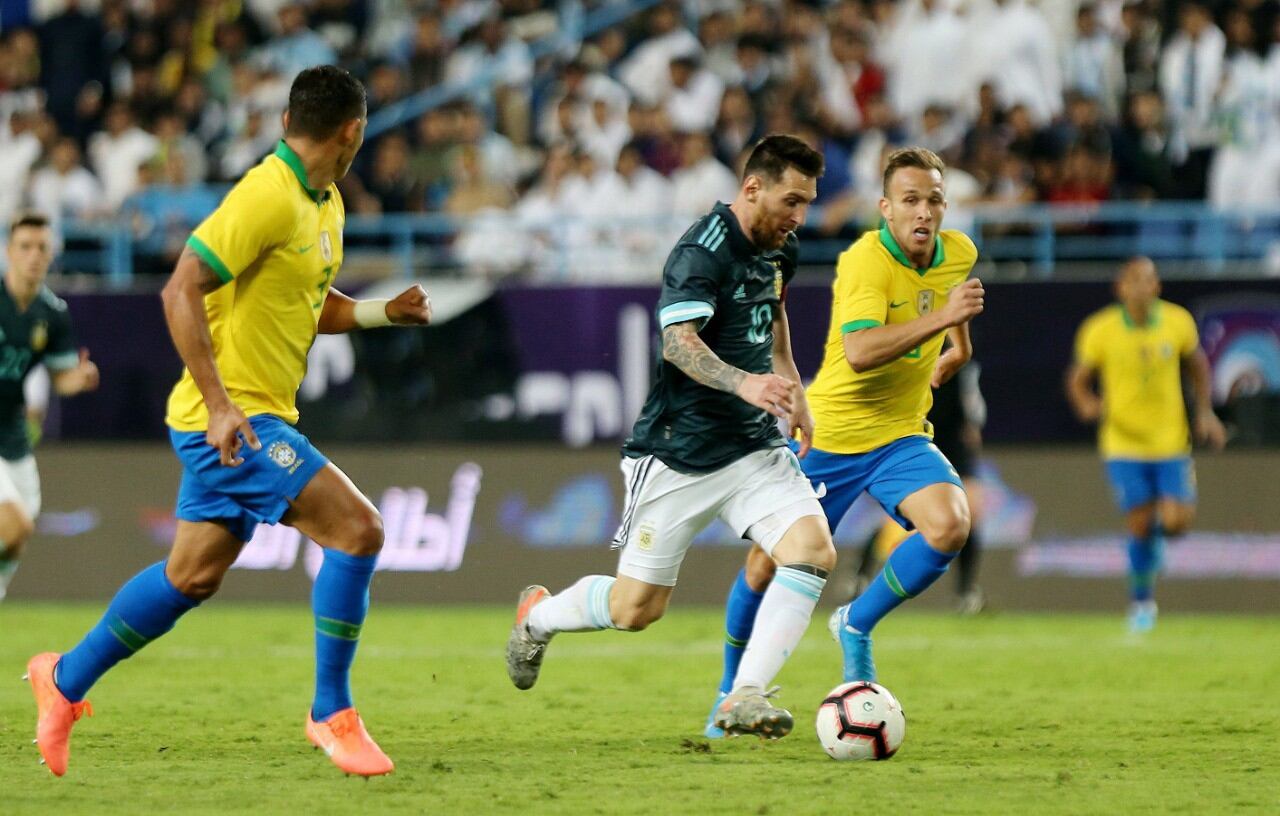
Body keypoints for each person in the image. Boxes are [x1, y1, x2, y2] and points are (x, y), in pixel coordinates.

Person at [26, 66, 433, 778]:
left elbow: (311, 300)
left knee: (191, 576)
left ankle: (61, 682)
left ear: (287, 120)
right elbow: (181, 285)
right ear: (353, 131)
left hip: (245, 417)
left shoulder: (324, 200)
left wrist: (378, 312)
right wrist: (219, 405)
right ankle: (330, 712)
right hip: (236, 424)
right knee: (358, 530)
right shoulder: (266, 196)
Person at [505, 135, 832, 740]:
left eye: (808, 203)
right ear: (752, 188)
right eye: (791, 201)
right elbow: (677, 344)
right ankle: (539, 615)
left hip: (754, 448)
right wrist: (744, 384)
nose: (799, 217)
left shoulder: (782, 251)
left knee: (813, 551)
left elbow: (775, 327)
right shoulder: (700, 252)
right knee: (637, 610)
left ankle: (744, 695)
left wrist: (795, 394)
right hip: (678, 453)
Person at [702, 147, 984, 737]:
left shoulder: (959, 251)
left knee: (951, 524)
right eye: (910, 200)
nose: (923, 211)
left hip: (900, 435)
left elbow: (950, 289)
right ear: (885, 208)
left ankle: (855, 623)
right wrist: (943, 322)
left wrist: (960, 344)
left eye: (934, 199)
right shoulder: (864, 262)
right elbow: (859, 352)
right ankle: (729, 694)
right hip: (832, 435)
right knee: (763, 566)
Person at [1066, 257, 1225, 632]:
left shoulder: (1177, 322)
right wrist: (1086, 402)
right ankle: (1142, 604)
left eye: (1148, 280)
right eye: (1133, 280)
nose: (1140, 287)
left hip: (1170, 441)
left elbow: (1197, 366)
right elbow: (1078, 378)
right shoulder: (1100, 329)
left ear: (1157, 287)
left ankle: (1153, 549)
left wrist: (1205, 412)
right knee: (1138, 523)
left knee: (1176, 522)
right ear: (1120, 288)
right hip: (1123, 443)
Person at [0, 212, 100, 601]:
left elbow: (62, 378)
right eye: (25, 247)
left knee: (15, 542)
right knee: (15, 525)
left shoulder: (52, 314)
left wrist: (81, 377)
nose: (34, 255)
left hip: (13, 433)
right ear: (9, 252)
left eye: (42, 247)